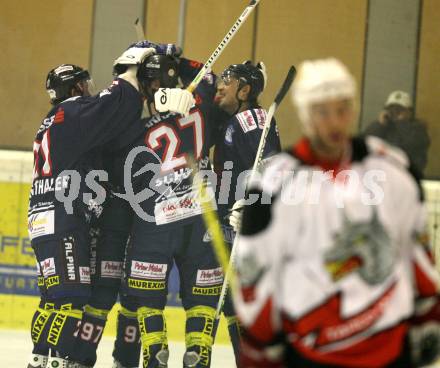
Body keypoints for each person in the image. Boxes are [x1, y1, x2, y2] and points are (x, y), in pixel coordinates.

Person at [232, 58, 440, 367]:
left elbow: (417, 254)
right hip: (309, 349)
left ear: (353, 109)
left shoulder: (393, 169)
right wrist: (258, 347)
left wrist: (429, 317)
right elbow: (256, 276)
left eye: (342, 109)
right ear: (305, 115)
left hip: (387, 347)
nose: (333, 121)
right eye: (322, 112)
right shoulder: (272, 183)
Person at [27, 41, 193, 367]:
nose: (90, 88)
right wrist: (132, 67)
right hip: (62, 219)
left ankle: (39, 359)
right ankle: (54, 360)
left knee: (52, 301)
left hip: (44, 216)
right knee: (71, 299)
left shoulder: (57, 121)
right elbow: (115, 101)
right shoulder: (73, 111)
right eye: (85, 82)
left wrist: (155, 105)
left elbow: (115, 133)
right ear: (74, 86)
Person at [118, 46, 225, 368]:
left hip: (157, 218)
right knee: (203, 298)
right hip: (202, 215)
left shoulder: (138, 129)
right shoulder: (203, 108)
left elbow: (128, 179)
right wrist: (179, 61)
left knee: (147, 297)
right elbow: (208, 76)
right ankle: (199, 352)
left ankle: (155, 353)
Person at [212, 61, 281, 365]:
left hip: (251, 232)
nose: (220, 86)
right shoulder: (234, 121)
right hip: (233, 226)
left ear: (245, 90)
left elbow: (271, 172)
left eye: (227, 81)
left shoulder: (251, 119)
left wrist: (253, 206)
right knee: (232, 306)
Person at [363, 90, 430, 175]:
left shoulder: (418, 129)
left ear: (409, 112)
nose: (395, 112)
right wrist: (380, 125)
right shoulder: (382, 126)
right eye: (391, 109)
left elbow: (410, 146)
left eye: (400, 110)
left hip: (408, 175)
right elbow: (366, 142)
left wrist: (401, 123)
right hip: (383, 174)